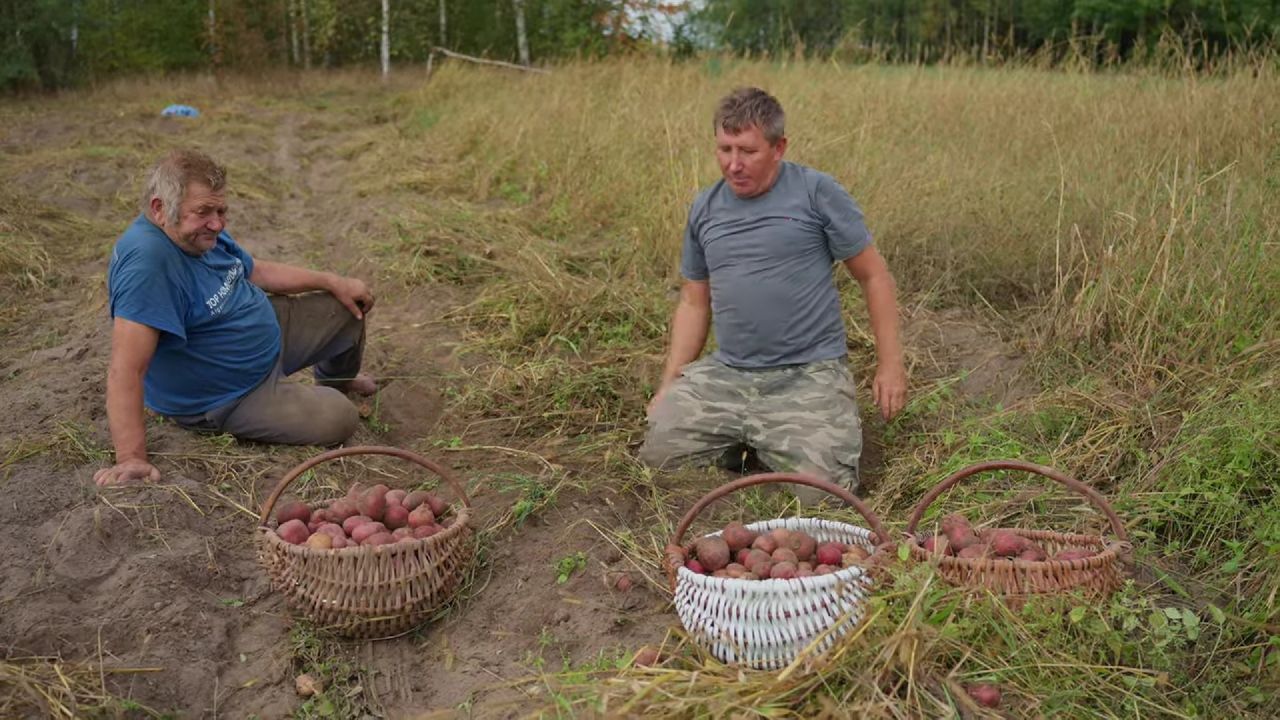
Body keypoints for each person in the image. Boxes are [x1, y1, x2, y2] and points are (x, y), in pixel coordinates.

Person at [639, 87, 908, 497]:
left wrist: (891, 366)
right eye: (724, 149)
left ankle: (791, 439)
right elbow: (694, 301)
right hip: (729, 373)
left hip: (807, 374)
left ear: (779, 147)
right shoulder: (705, 208)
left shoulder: (816, 192)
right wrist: (668, 386)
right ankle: (756, 440)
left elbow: (874, 277)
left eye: (747, 151)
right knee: (659, 455)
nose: (733, 164)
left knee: (823, 493)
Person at [94, 149, 377, 487]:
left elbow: (255, 270)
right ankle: (310, 399)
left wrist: (333, 281)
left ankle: (336, 379)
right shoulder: (147, 265)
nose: (217, 223)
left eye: (221, 210)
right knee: (339, 416)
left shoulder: (200, 233)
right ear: (159, 209)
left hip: (264, 337)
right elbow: (126, 368)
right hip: (229, 394)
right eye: (203, 212)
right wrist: (131, 459)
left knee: (348, 305)